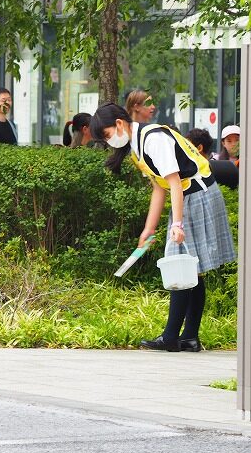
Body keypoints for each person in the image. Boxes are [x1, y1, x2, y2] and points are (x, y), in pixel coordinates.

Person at [90, 103, 235, 352]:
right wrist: (149, 228)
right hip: (191, 196)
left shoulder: (153, 138)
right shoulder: (136, 146)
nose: (108, 141)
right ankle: (189, 338)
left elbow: (175, 183)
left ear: (119, 124)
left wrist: (176, 224)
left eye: (105, 135)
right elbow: (160, 187)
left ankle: (171, 338)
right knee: (191, 269)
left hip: (197, 195)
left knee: (180, 264)